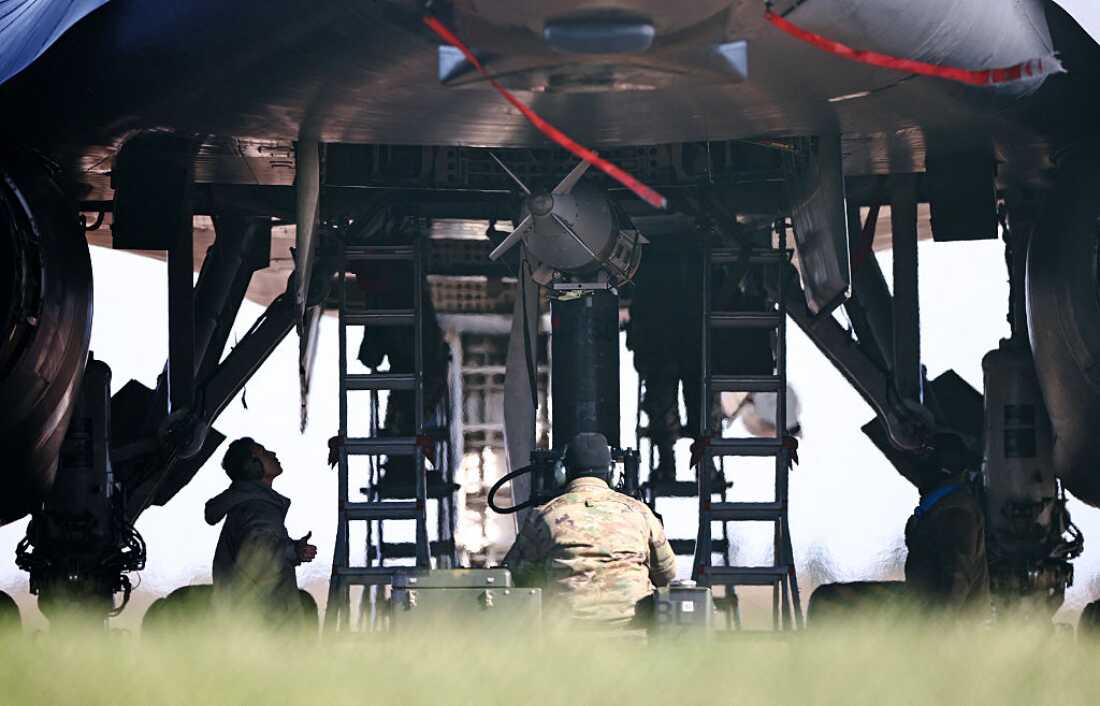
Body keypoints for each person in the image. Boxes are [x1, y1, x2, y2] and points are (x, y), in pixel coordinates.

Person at [503, 432, 678, 627]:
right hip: (633, 635)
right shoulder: (641, 513)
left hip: (567, 639)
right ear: (612, 473)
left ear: (562, 472)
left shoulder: (543, 516)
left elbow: (513, 575)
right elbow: (667, 575)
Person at [204, 437, 317, 629]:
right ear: (251, 465)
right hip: (267, 623)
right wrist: (293, 551)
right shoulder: (259, 507)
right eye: (263, 453)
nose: (272, 454)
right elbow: (259, 551)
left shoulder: (249, 505)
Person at [903, 433, 991, 617]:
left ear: (943, 468)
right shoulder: (943, 508)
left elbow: (955, 582)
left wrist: (935, 634)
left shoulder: (956, 513)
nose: (921, 464)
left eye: (928, 456)